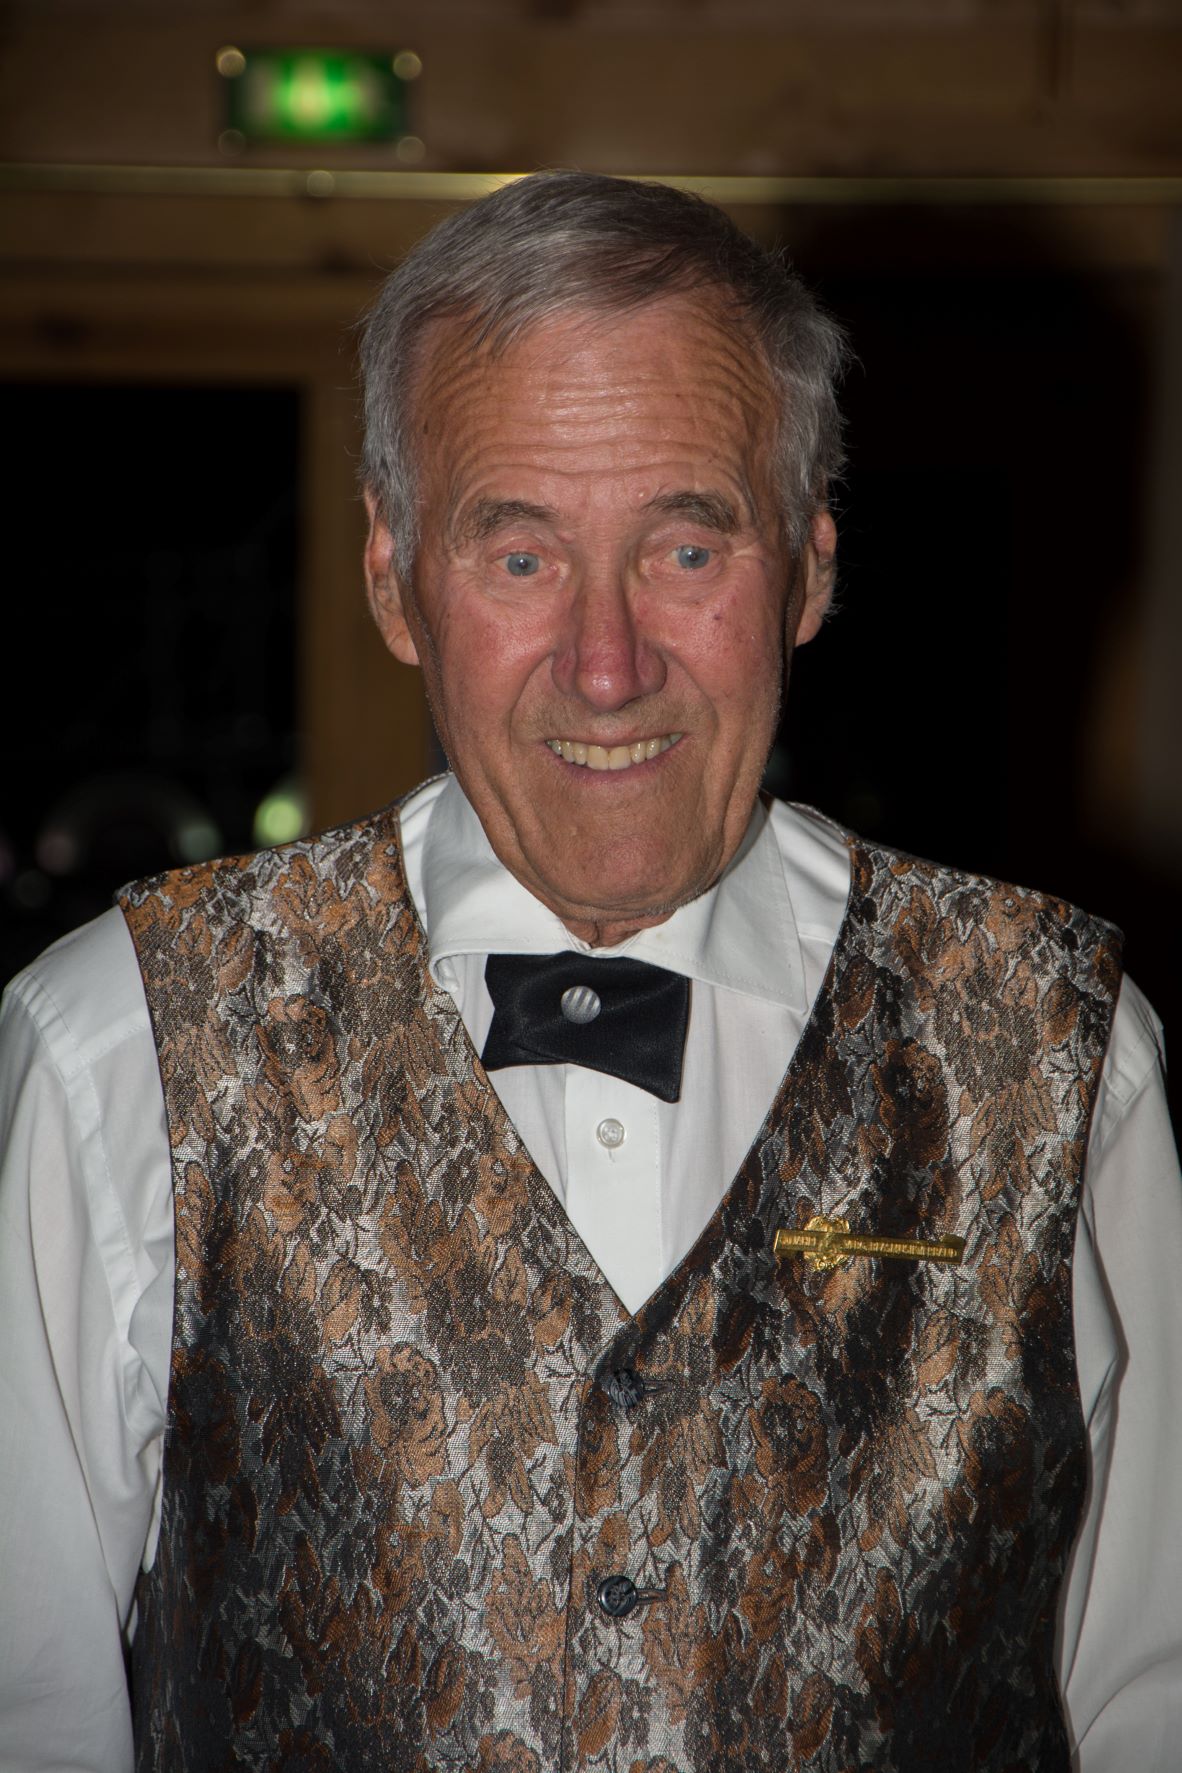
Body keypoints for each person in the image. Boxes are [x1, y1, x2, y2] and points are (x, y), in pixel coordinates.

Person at [1, 172, 1178, 1773]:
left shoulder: (1062, 1049)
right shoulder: (117, 1041)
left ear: (809, 571)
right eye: (519, 556)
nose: (607, 665)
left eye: (685, 547)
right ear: (392, 581)